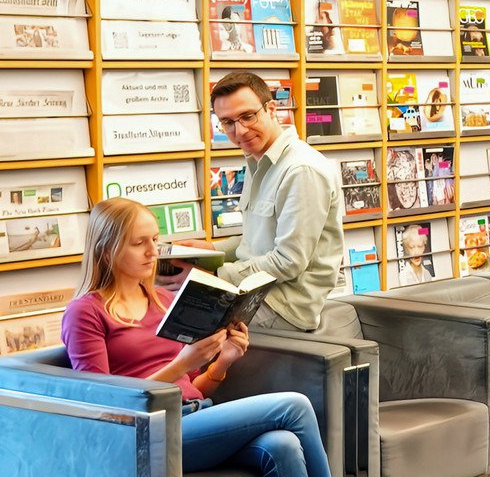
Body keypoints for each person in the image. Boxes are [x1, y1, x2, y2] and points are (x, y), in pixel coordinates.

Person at [62, 197, 331, 476]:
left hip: (195, 414)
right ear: (107, 250)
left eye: (155, 240)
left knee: (283, 444)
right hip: (143, 433)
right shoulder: (85, 312)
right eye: (139, 243)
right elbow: (100, 405)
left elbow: (193, 388)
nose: (153, 251)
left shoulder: (164, 300)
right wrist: (182, 364)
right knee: (294, 405)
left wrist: (223, 361)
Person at [173, 72, 343, 333]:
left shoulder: (301, 170)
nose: (239, 131)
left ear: (271, 109)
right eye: (227, 122)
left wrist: (215, 277)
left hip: (282, 305)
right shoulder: (258, 160)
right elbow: (257, 243)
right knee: (161, 313)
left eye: (247, 116)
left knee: (182, 334)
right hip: (252, 292)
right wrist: (210, 250)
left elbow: (288, 261)